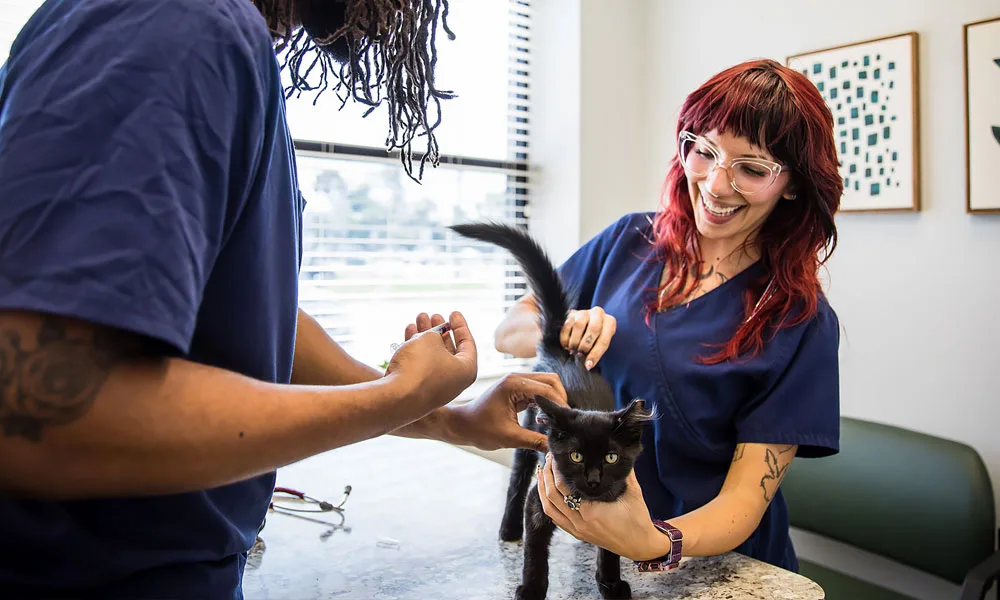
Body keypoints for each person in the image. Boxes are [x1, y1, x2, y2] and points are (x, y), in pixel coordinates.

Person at [0, 0, 567, 597]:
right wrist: (392, 394)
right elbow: (40, 406)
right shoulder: (183, 24)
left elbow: (256, 320)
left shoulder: (210, 41)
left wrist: (444, 419)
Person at [495, 58, 843, 573]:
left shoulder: (797, 318)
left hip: (717, 564)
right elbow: (510, 330)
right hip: (599, 541)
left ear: (793, 184)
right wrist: (564, 323)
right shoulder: (630, 240)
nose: (717, 184)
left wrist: (656, 540)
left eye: (751, 168)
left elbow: (746, 502)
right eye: (702, 151)